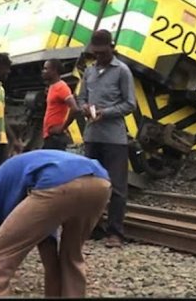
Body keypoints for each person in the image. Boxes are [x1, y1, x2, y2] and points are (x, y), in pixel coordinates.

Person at [0, 150, 111, 297]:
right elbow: (45, 237)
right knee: (70, 258)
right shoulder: (12, 182)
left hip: (57, 180)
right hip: (100, 182)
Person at [76, 29, 136, 248]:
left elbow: (130, 104)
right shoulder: (89, 72)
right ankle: (92, 228)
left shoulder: (122, 71)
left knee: (117, 187)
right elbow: (81, 96)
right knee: (89, 185)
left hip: (114, 138)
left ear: (112, 47)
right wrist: (84, 107)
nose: (99, 56)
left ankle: (115, 233)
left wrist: (106, 112)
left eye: (102, 52)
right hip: (92, 136)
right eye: (96, 52)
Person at [41, 59, 79, 150]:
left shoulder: (61, 87)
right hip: (50, 136)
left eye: (46, 69)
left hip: (55, 138)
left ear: (54, 71)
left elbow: (74, 108)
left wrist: (62, 127)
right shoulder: (52, 87)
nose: (43, 71)